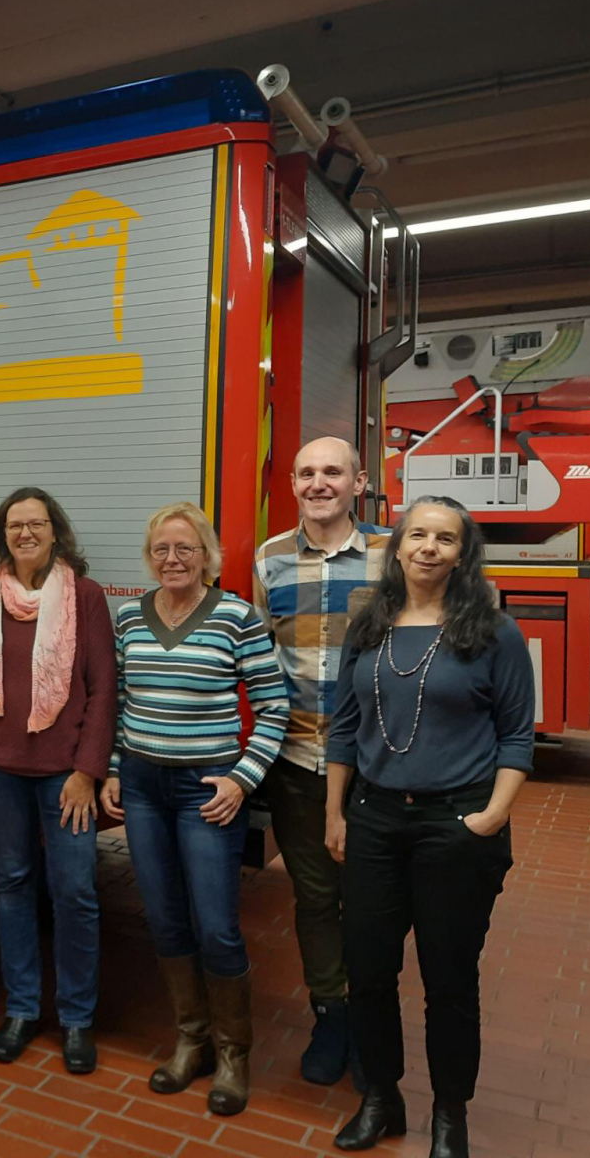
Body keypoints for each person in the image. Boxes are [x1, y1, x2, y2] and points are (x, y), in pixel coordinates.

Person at [325, 496, 534, 1158]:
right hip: (375, 820)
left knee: (448, 980)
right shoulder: (370, 622)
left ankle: (450, 1114)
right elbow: (345, 726)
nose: (428, 548)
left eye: (446, 538)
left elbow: (516, 734)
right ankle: (381, 1098)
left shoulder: (493, 630)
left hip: (456, 823)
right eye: (417, 534)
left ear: (462, 552)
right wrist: (334, 811)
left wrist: (493, 816)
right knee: (368, 970)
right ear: (398, 545)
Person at [100, 502, 288, 1115]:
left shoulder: (237, 617)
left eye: (185, 549)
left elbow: (273, 705)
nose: (173, 560)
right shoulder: (130, 616)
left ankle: (234, 1056)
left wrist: (242, 779)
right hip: (145, 790)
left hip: (207, 793)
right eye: (161, 550)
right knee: (165, 920)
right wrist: (112, 772)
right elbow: (121, 701)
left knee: (216, 926)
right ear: (148, 558)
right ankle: (193, 1042)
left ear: (208, 556)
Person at [0, 487, 116, 1075]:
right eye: (15, 525)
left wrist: (88, 772)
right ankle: (20, 1009)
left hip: (64, 775)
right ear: (3, 534)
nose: (25, 533)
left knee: (76, 893)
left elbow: (102, 691)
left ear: (54, 532)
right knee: (11, 883)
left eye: (36, 523)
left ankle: (77, 1018)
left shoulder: (86, 598)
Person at [252, 436, 388, 1086]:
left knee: (375, 901)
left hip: (377, 767)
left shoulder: (394, 554)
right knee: (314, 900)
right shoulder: (271, 558)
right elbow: (260, 656)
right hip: (296, 761)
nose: (318, 482)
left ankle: (370, 1024)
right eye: (306, 472)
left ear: (358, 482)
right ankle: (330, 1015)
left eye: (332, 471)